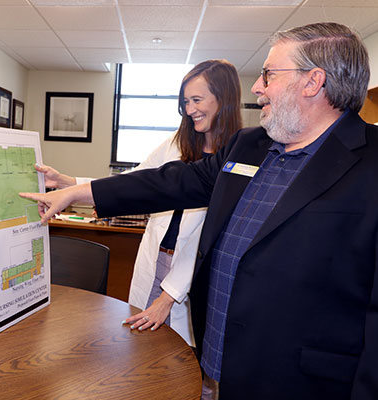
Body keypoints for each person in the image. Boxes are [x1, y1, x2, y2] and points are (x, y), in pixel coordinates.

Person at [21, 22, 378, 400]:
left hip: (304, 381)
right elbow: (168, 182)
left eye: (269, 75)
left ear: (313, 81)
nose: (257, 87)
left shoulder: (370, 162)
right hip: (223, 360)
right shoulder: (249, 146)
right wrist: (78, 192)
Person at [36, 59, 242, 346]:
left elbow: (212, 241)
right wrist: (68, 183)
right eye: (185, 101)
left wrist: (168, 297)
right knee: (141, 344)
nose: (190, 109)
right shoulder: (176, 142)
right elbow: (134, 183)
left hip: (193, 272)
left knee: (186, 354)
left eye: (197, 99)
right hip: (157, 256)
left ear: (225, 98)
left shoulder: (239, 161)